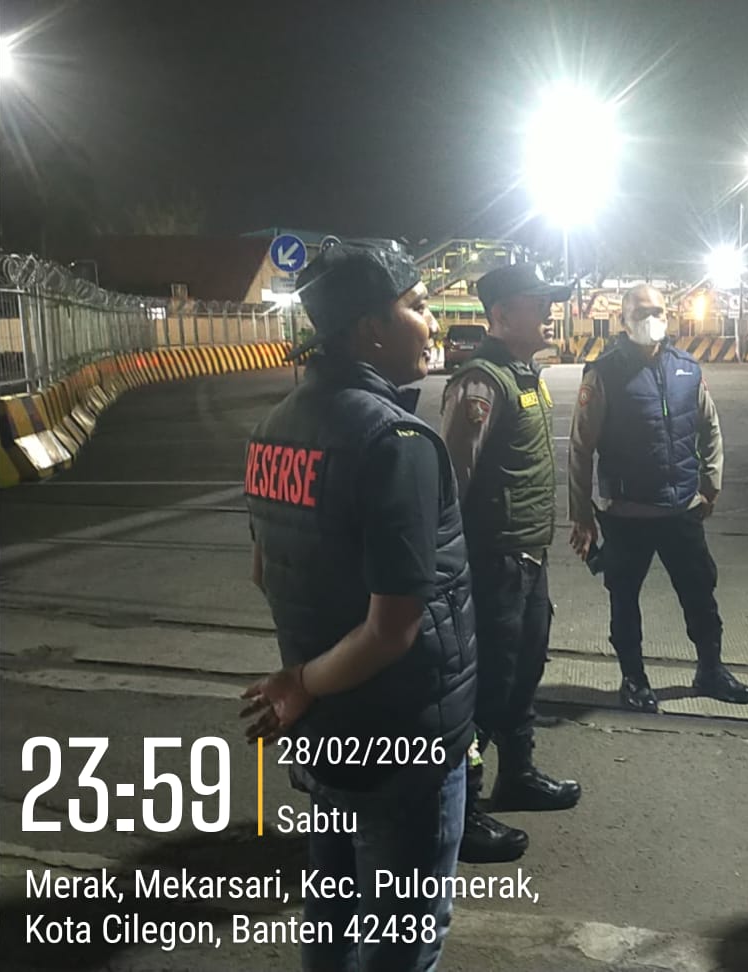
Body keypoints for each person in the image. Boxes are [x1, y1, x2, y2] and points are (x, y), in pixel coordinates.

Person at [240, 241, 475, 972]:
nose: (433, 323)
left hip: (327, 731)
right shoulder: (395, 440)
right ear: (371, 328)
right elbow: (393, 627)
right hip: (402, 735)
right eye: (418, 306)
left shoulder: (276, 426)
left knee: (332, 914)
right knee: (404, 936)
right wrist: (301, 682)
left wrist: (309, 679)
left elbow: (264, 570)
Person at [440, 263, 581, 865]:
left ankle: (517, 773)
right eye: (537, 302)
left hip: (527, 556)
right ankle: (464, 805)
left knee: (524, 672)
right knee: (484, 689)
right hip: (493, 561)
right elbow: (452, 481)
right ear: (501, 314)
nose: (549, 311)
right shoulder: (480, 382)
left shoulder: (527, 376)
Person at [569, 284, 748, 713]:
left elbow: (710, 427)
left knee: (700, 592)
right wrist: (582, 516)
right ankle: (633, 679)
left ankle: (711, 670)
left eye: (657, 311)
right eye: (640, 313)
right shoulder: (602, 374)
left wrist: (710, 482)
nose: (650, 319)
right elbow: (580, 448)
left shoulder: (686, 368)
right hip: (626, 513)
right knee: (624, 599)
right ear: (622, 320)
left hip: (681, 509)